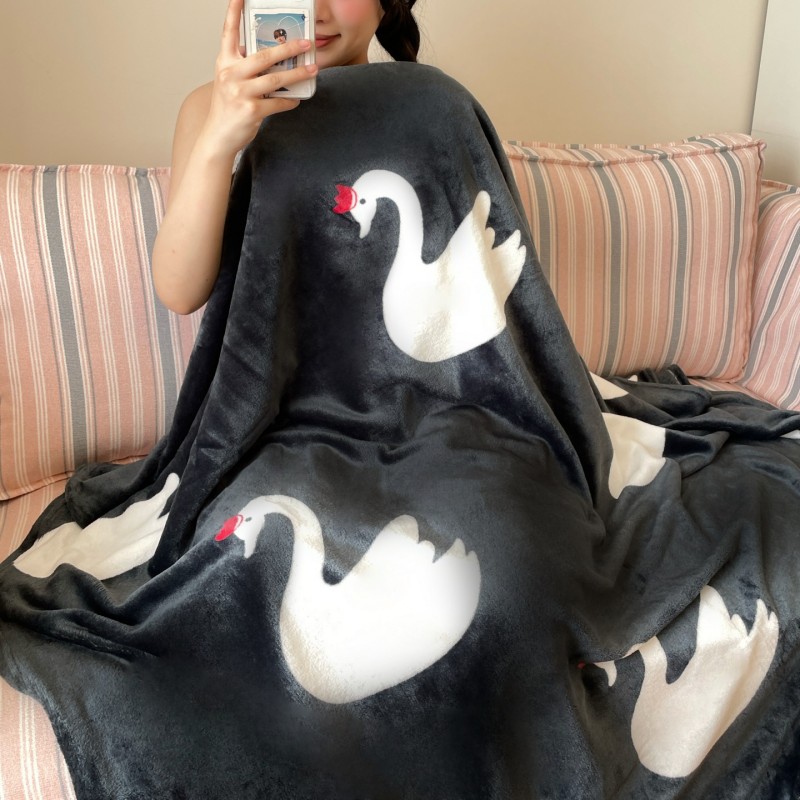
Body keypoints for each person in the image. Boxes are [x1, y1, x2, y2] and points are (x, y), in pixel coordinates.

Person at [151, 0, 420, 316]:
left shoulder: (422, 110)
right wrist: (217, 142)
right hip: (260, 342)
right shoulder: (207, 108)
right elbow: (181, 294)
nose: (315, 12)